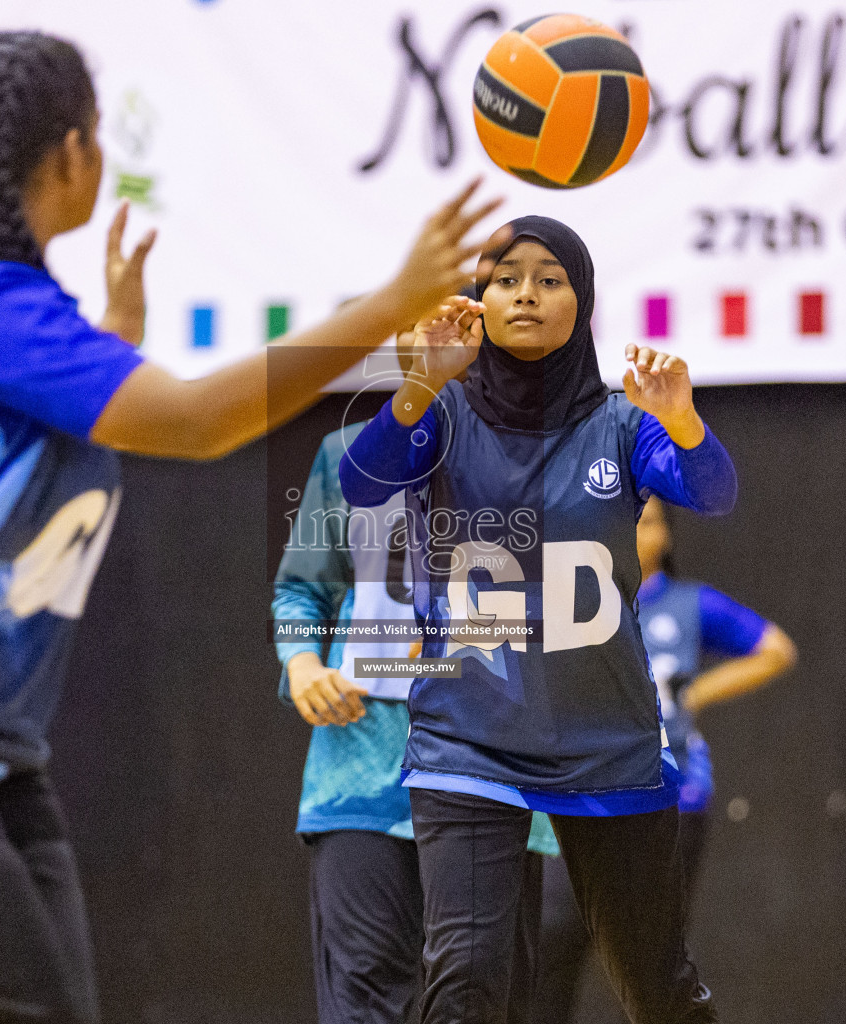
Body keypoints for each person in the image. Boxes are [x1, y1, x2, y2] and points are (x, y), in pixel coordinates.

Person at [0, 30, 499, 1024]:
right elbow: (193, 424)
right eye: (97, 133)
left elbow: (20, 438)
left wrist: (112, 344)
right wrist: (387, 306)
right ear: (71, 155)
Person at [338, 215, 736, 1024]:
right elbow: (362, 482)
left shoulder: (622, 425)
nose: (526, 293)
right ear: (479, 298)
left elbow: (715, 490)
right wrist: (419, 382)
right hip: (467, 737)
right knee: (466, 980)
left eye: (550, 279)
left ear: (582, 302)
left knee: (656, 984)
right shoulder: (444, 415)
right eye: (506, 277)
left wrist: (684, 418)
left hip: (605, 738)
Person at [273, 329, 560, 1024]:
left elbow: (571, 609)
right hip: (359, 772)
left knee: (478, 997)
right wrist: (304, 663)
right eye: (417, 317)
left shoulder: (536, 462)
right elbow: (300, 593)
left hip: (487, 768)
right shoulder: (346, 458)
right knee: (365, 993)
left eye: (457, 319)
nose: (435, 334)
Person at [534, 497, 797, 1024]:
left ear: (667, 536)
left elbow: (776, 649)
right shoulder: (569, 601)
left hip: (671, 797)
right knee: (549, 942)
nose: (632, 532)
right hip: (578, 798)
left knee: (651, 957)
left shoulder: (689, 604)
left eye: (647, 521)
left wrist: (697, 692)